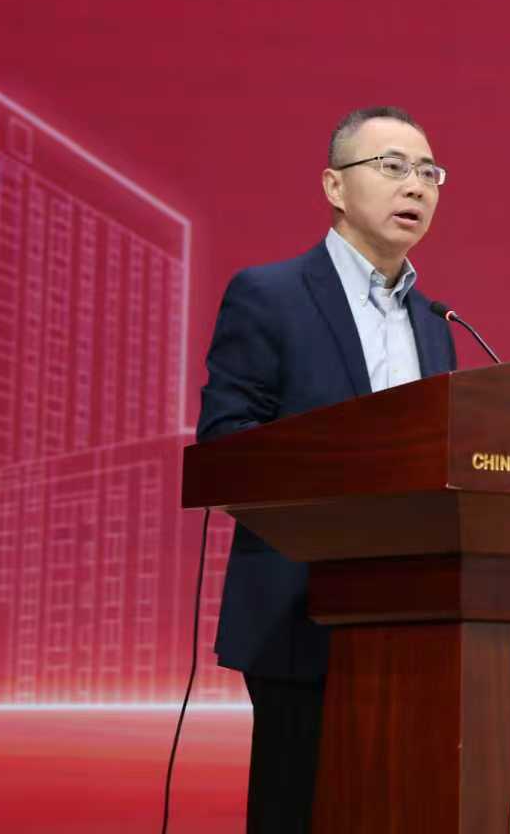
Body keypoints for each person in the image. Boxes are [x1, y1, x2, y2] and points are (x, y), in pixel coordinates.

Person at [196, 106, 457, 834]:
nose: (416, 186)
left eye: (429, 172)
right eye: (393, 167)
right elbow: (227, 444)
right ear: (334, 187)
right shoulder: (270, 295)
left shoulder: (436, 325)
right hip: (300, 612)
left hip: (416, 621)